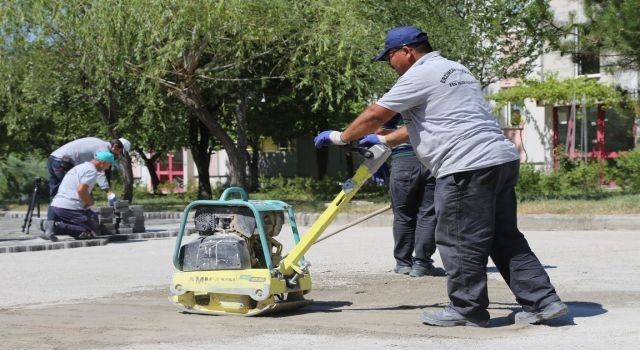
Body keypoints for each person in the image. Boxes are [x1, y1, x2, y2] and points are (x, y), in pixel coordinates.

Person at [314, 25, 566, 327]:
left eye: (390, 57)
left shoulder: (419, 74)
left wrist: (340, 137)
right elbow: (431, 122)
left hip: (465, 166)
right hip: (500, 159)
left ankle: (466, 308)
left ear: (406, 52)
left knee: (458, 238)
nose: (390, 65)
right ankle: (543, 302)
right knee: (504, 236)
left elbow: (375, 115)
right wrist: (383, 141)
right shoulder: (456, 69)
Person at [360, 114, 445, 277]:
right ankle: (422, 264)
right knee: (428, 214)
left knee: (403, 215)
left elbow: (378, 130)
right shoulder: (433, 101)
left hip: (403, 163)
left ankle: (403, 263)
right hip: (431, 161)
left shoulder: (398, 103)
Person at [41, 151, 117, 241]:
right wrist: (91, 205)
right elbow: (81, 190)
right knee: (91, 233)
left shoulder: (80, 167)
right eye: (109, 165)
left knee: (86, 227)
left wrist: (86, 205)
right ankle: (56, 226)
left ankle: (52, 226)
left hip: (57, 205)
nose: (108, 168)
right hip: (69, 207)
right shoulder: (91, 171)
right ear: (103, 163)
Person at [47, 137, 130, 218]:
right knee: (77, 194)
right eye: (119, 152)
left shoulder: (99, 143)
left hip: (53, 158)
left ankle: (51, 223)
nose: (118, 155)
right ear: (115, 146)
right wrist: (109, 193)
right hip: (62, 162)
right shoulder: (102, 149)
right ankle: (77, 220)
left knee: (56, 194)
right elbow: (100, 173)